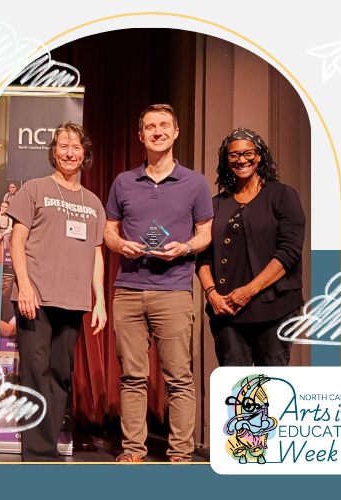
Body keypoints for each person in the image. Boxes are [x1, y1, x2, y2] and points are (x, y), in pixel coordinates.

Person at [104, 104, 213, 463]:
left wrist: (185, 247)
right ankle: (133, 452)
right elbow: (109, 231)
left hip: (174, 291)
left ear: (176, 132)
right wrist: (120, 245)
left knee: (178, 377)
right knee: (132, 377)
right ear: (141, 135)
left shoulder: (195, 182)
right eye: (150, 126)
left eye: (164, 125)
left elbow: (205, 234)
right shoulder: (123, 181)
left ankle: (180, 455)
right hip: (129, 290)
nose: (157, 131)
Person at [6, 122, 107, 462]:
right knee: (35, 373)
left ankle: (46, 450)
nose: (69, 152)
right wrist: (25, 287)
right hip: (36, 298)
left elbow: (96, 253)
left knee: (60, 376)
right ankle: (38, 455)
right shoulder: (34, 189)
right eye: (63, 146)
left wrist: (100, 302)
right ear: (53, 152)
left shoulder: (92, 202)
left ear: (84, 153)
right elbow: (16, 241)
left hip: (73, 300)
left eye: (75, 146)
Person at [196, 127, 305, 367]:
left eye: (248, 153)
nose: (242, 159)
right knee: (235, 392)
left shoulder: (282, 195)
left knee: (270, 388)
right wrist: (212, 295)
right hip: (226, 312)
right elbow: (202, 258)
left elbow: (289, 253)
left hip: (274, 310)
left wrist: (249, 291)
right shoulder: (215, 205)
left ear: (260, 156)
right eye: (233, 155)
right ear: (226, 161)